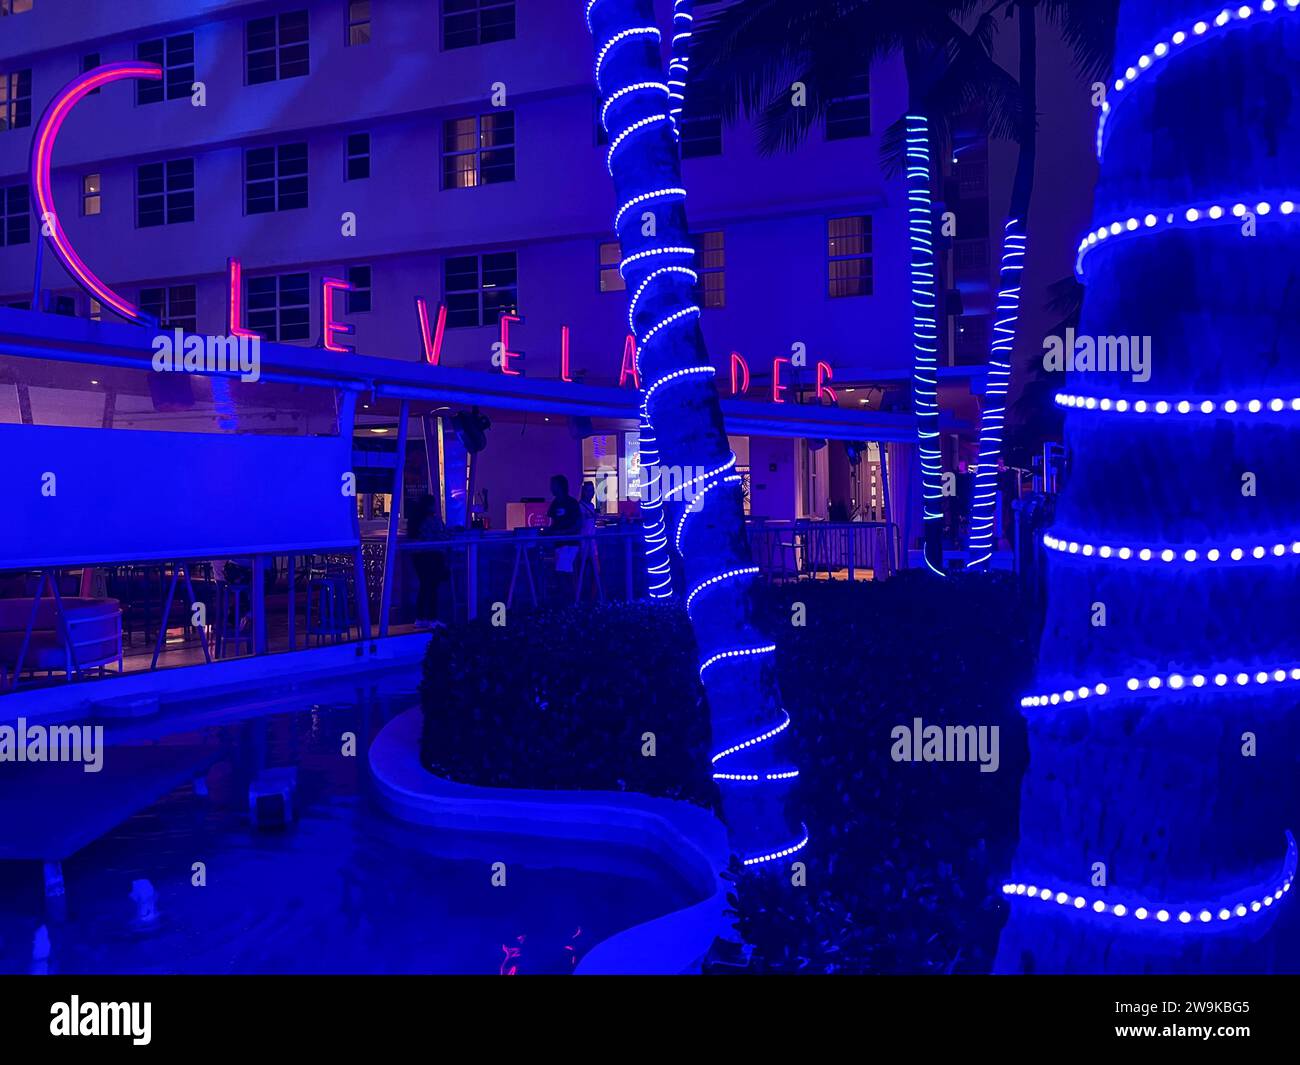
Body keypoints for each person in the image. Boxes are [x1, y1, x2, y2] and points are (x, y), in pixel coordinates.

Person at [406, 494, 448, 629]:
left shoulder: (414, 520)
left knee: (424, 586)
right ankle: (432, 618)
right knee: (432, 587)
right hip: (432, 554)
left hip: (418, 556)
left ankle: (420, 618)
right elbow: (441, 536)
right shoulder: (432, 521)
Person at [542, 474, 581, 576]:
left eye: (553, 485)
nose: (550, 488)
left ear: (560, 486)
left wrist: (560, 533)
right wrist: (548, 532)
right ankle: (565, 592)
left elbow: (577, 525)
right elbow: (552, 523)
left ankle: (570, 592)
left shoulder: (571, 503)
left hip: (570, 544)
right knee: (561, 574)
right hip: (559, 543)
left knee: (565, 573)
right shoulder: (554, 503)